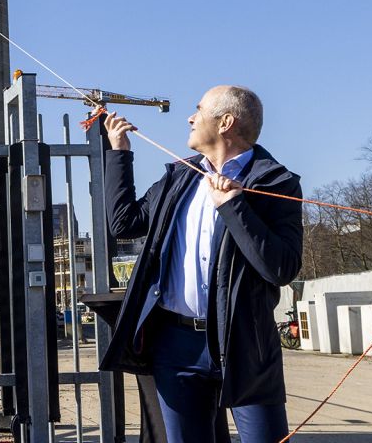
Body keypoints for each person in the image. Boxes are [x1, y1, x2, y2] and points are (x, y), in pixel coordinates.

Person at [99, 85, 302, 443]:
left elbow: (281, 268)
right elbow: (124, 223)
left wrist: (233, 206)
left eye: (198, 110)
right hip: (175, 346)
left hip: (245, 343)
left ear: (225, 122)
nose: (190, 118)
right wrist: (119, 153)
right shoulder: (180, 176)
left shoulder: (275, 182)